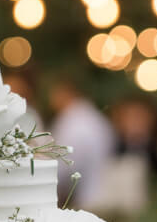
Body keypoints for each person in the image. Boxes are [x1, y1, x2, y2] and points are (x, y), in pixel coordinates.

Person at [49, 77, 115, 207]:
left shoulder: (73, 122)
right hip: (103, 192)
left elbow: (63, 167)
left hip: (87, 198)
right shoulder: (96, 118)